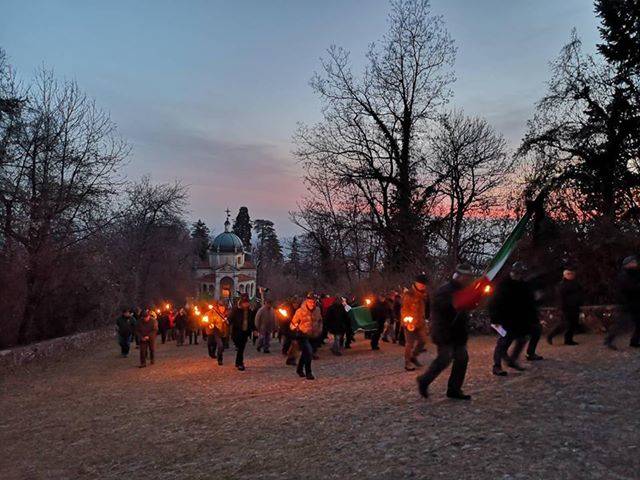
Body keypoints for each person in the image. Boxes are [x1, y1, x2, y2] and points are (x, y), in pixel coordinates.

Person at [417, 263, 474, 400]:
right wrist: (458, 303)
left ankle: (454, 389)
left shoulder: (465, 290)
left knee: (462, 358)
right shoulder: (444, 290)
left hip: (458, 332)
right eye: (465, 277)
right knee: (444, 359)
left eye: (468, 277)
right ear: (458, 276)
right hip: (445, 332)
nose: (466, 279)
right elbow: (442, 307)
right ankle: (424, 380)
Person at [489, 262, 538, 376]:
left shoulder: (524, 286)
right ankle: (497, 366)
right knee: (503, 342)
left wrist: (533, 318)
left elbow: (529, 303)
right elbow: (494, 303)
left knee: (522, 339)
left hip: (519, 320)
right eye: (517, 273)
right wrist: (495, 320)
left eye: (520, 274)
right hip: (504, 319)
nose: (518, 275)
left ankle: (512, 360)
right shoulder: (503, 285)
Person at [605, 255, 640, 349]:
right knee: (621, 324)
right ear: (627, 264)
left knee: (638, 323)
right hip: (627, 303)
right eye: (633, 262)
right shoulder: (623, 275)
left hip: (636, 302)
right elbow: (627, 288)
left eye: (635, 262)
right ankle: (609, 340)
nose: (635, 264)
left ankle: (635, 341)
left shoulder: (636, 274)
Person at [547, 267, 584, 346]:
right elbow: (560, 298)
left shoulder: (575, 283)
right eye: (570, 274)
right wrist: (561, 308)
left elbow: (579, 293)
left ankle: (568, 340)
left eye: (572, 274)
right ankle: (550, 335)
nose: (572, 275)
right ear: (565, 275)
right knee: (564, 324)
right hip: (566, 307)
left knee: (573, 324)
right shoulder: (562, 285)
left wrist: (579, 302)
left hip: (574, 306)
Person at [401, 273, 430, 371]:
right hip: (409, 323)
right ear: (416, 283)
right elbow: (404, 309)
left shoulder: (424, 295)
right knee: (409, 343)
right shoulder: (409, 294)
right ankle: (407, 362)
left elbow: (426, 308)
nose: (423, 286)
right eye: (421, 283)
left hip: (420, 322)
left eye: (424, 284)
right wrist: (408, 321)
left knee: (423, 341)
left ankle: (414, 356)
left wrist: (426, 318)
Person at [290, 293, 322, 380]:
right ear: (307, 301)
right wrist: (295, 326)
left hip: (313, 335)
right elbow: (292, 323)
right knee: (309, 352)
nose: (312, 304)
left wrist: (319, 330)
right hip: (303, 334)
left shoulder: (318, 310)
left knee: (305, 354)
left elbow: (320, 321)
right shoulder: (300, 311)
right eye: (310, 301)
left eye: (314, 302)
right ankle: (309, 372)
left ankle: (299, 369)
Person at [228, 294, 256, 371]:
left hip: (245, 332)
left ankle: (240, 363)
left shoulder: (250, 311)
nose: (246, 304)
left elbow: (252, 322)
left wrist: (254, 330)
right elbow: (230, 319)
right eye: (245, 303)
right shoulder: (235, 310)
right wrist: (227, 323)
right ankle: (238, 362)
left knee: (241, 348)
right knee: (238, 345)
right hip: (236, 331)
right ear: (241, 303)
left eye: (247, 303)